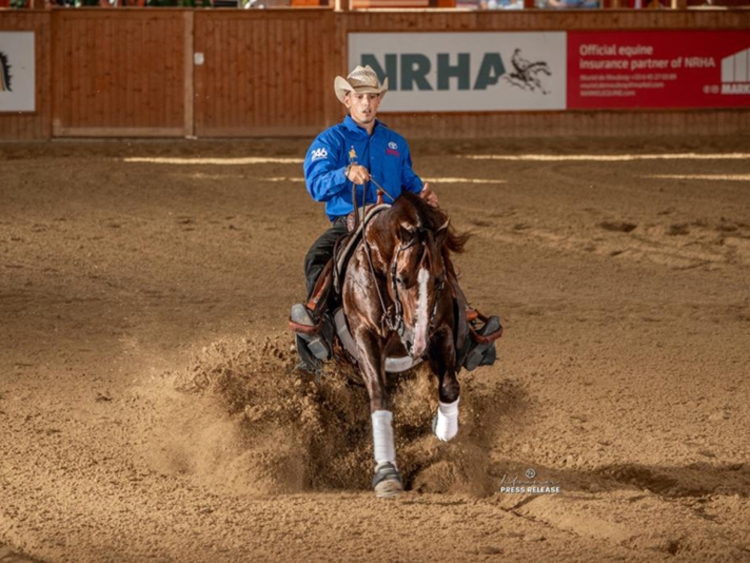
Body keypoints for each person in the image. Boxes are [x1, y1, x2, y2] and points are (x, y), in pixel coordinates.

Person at [290, 65, 438, 370]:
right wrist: (345, 172)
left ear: (379, 101)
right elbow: (316, 185)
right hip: (352, 223)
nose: (366, 103)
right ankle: (317, 322)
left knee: (433, 248)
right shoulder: (330, 141)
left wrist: (422, 193)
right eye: (360, 96)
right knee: (317, 258)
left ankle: (464, 319)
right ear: (347, 100)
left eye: (372, 96)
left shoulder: (395, 143)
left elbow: (408, 179)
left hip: (397, 225)